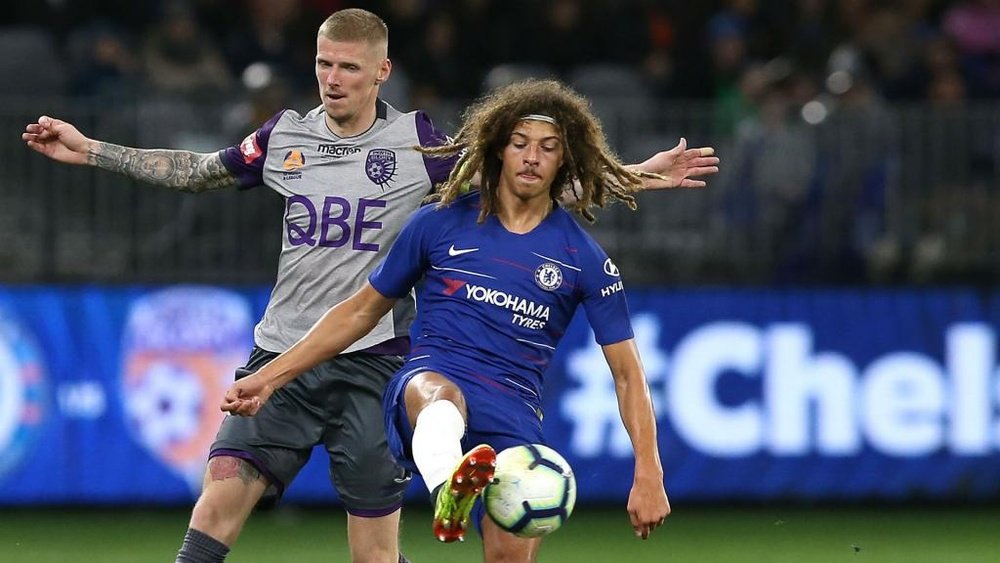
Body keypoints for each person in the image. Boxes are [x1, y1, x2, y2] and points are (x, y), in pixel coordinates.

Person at [22, 8, 714, 562]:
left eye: (348, 67)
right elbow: (201, 168)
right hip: (284, 352)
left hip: (376, 361)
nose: (332, 78)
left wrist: (639, 174)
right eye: (323, 63)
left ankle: (449, 484)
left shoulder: (420, 145)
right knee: (219, 497)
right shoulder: (285, 136)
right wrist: (91, 150)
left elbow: (523, 178)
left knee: (374, 552)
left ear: (381, 71)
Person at [221, 78, 672, 562]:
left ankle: (461, 485)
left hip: (513, 411)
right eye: (519, 144)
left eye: (548, 148)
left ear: (566, 159)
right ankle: (448, 493)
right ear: (498, 148)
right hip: (430, 378)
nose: (531, 157)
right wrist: (268, 376)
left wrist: (649, 472)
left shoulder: (584, 259)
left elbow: (628, 374)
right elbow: (357, 312)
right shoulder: (436, 224)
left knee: (508, 556)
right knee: (440, 397)